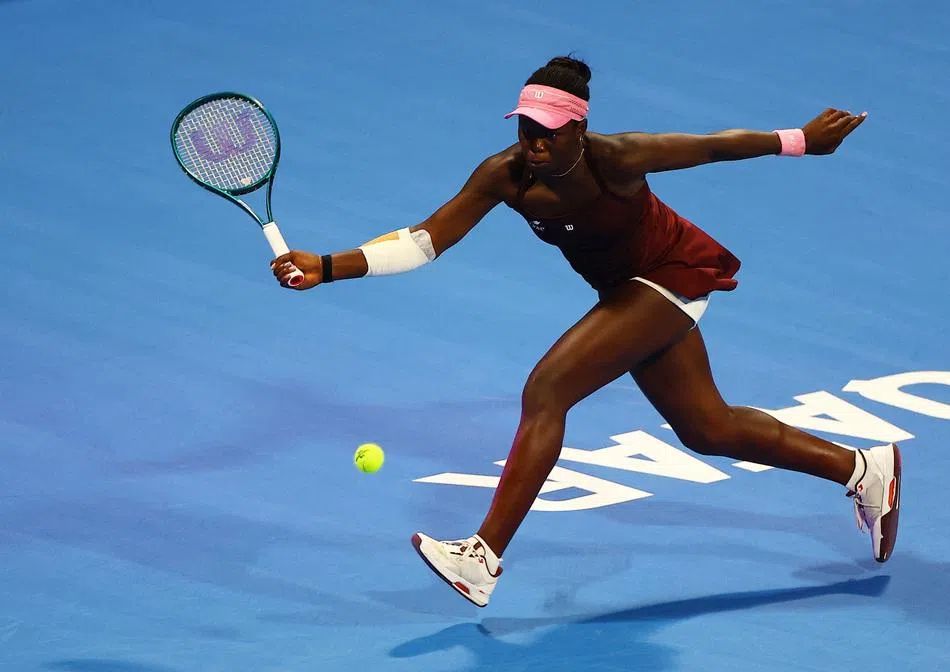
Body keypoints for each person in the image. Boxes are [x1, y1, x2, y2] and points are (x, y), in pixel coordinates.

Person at [270, 55, 901, 608]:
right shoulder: (505, 174)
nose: (534, 144)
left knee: (548, 390)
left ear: (578, 128)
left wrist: (798, 140)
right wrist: (327, 267)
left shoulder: (618, 158)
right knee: (707, 428)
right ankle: (861, 468)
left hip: (670, 275)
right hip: (629, 294)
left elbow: (712, 146)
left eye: (547, 132)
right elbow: (428, 239)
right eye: (525, 129)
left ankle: (483, 556)